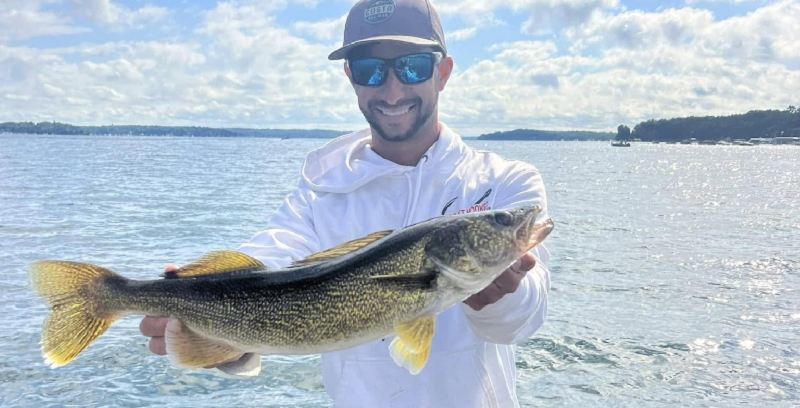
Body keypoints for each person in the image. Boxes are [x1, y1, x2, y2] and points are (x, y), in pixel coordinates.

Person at [139, 0, 551, 406]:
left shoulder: (505, 182)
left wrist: (499, 292)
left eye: (413, 66)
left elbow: (524, 319)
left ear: (442, 73)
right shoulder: (320, 192)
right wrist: (214, 334)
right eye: (371, 71)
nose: (392, 89)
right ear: (350, 77)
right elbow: (267, 262)